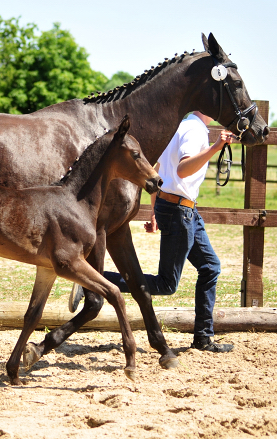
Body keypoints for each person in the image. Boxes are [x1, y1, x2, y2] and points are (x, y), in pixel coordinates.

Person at [70, 111, 235, 352]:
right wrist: (216, 147)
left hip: (180, 207)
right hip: (180, 210)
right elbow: (182, 170)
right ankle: (93, 279)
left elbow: (157, 167)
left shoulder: (180, 125)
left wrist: (155, 209)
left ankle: (203, 338)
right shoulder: (196, 130)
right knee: (167, 284)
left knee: (210, 267)